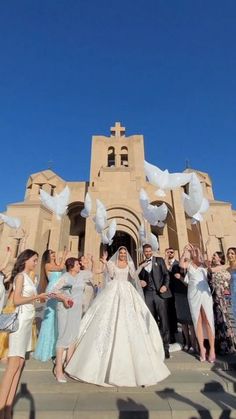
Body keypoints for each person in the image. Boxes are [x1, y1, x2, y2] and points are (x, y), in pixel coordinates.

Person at [65, 246, 170, 387]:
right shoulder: (113, 263)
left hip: (127, 290)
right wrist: (106, 262)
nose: (122, 254)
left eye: (124, 253)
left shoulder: (130, 264)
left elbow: (133, 277)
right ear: (118, 254)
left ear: (126, 254)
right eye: (120, 253)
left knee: (130, 321)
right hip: (114, 290)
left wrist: (141, 268)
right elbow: (111, 275)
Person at [0, 249, 47, 419]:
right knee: (12, 366)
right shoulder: (20, 276)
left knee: (20, 365)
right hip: (19, 323)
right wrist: (34, 298)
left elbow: (32, 299)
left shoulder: (30, 278)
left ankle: (8, 409)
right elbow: (16, 300)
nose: (36, 262)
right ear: (26, 260)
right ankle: (1, 409)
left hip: (28, 323)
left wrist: (41, 297)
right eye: (34, 260)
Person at [52, 257, 93, 383]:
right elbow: (53, 292)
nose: (79, 265)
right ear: (71, 266)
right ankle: (59, 369)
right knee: (63, 337)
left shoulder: (81, 275)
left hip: (76, 310)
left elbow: (91, 273)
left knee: (73, 337)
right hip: (65, 309)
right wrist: (64, 298)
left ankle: (69, 367)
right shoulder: (64, 277)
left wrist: (87, 263)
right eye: (77, 264)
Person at [179, 244, 215, 363]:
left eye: (197, 252)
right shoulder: (188, 264)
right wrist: (184, 252)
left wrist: (202, 249)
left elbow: (209, 261)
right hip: (192, 292)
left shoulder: (204, 264)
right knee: (197, 320)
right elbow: (181, 264)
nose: (195, 253)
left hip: (204, 293)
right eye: (193, 252)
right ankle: (202, 349)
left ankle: (212, 349)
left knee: (208, 319)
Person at [138, 244, 172, 358]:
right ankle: (153, 345)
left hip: (160, 294)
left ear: (151, 251)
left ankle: (165, 347)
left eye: (149, 251)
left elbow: (166, 275)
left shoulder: (160, 260)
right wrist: (141, 282)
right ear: (143, 252)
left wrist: (165, 286)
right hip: (148, 294)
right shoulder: (141, 264)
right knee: (151, 321)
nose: (148, 253)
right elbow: (138, 278)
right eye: (146, 251)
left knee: (163, 320)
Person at [33, 249, 66, 362]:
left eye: (54, 253)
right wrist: (64, 255)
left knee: (57, 319)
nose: (54, 255)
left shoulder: (56, 264)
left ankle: (55, 349)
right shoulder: (47, 265)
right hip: (52, 290)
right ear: (48, 256)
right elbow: (61, 268)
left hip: (59, 290)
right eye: (52, 253)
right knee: (50, 318)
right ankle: (47, 349)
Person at [208, 251, 235, 354]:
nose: (213, 257)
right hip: (215, 297)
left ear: (220, 258)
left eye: (214, 255)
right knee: (218, 319)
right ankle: (221, 346)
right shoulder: (212, 269)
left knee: (227, 320)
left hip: (226, 297)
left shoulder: (226, 267)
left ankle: (230, 345)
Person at [164, 247, 178, 343]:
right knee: (170, 311)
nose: (170, 254)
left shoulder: (178, 263)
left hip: (177, 291)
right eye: (168, 252)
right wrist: (165, 257)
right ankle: (172, 333)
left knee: (178, 312)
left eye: (171, 252)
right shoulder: (164, 263)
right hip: (168, 291)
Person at [0, 247, 12, 313]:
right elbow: (3, 266)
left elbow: (6, 280)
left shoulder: (1, 275)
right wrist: (9, 253)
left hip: (2, 291)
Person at [226, 247, 236, 321]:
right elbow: (228, 284)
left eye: (232, 253)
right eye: (228, 253)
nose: (230, 255)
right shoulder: (228, 269)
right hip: (233, 295)